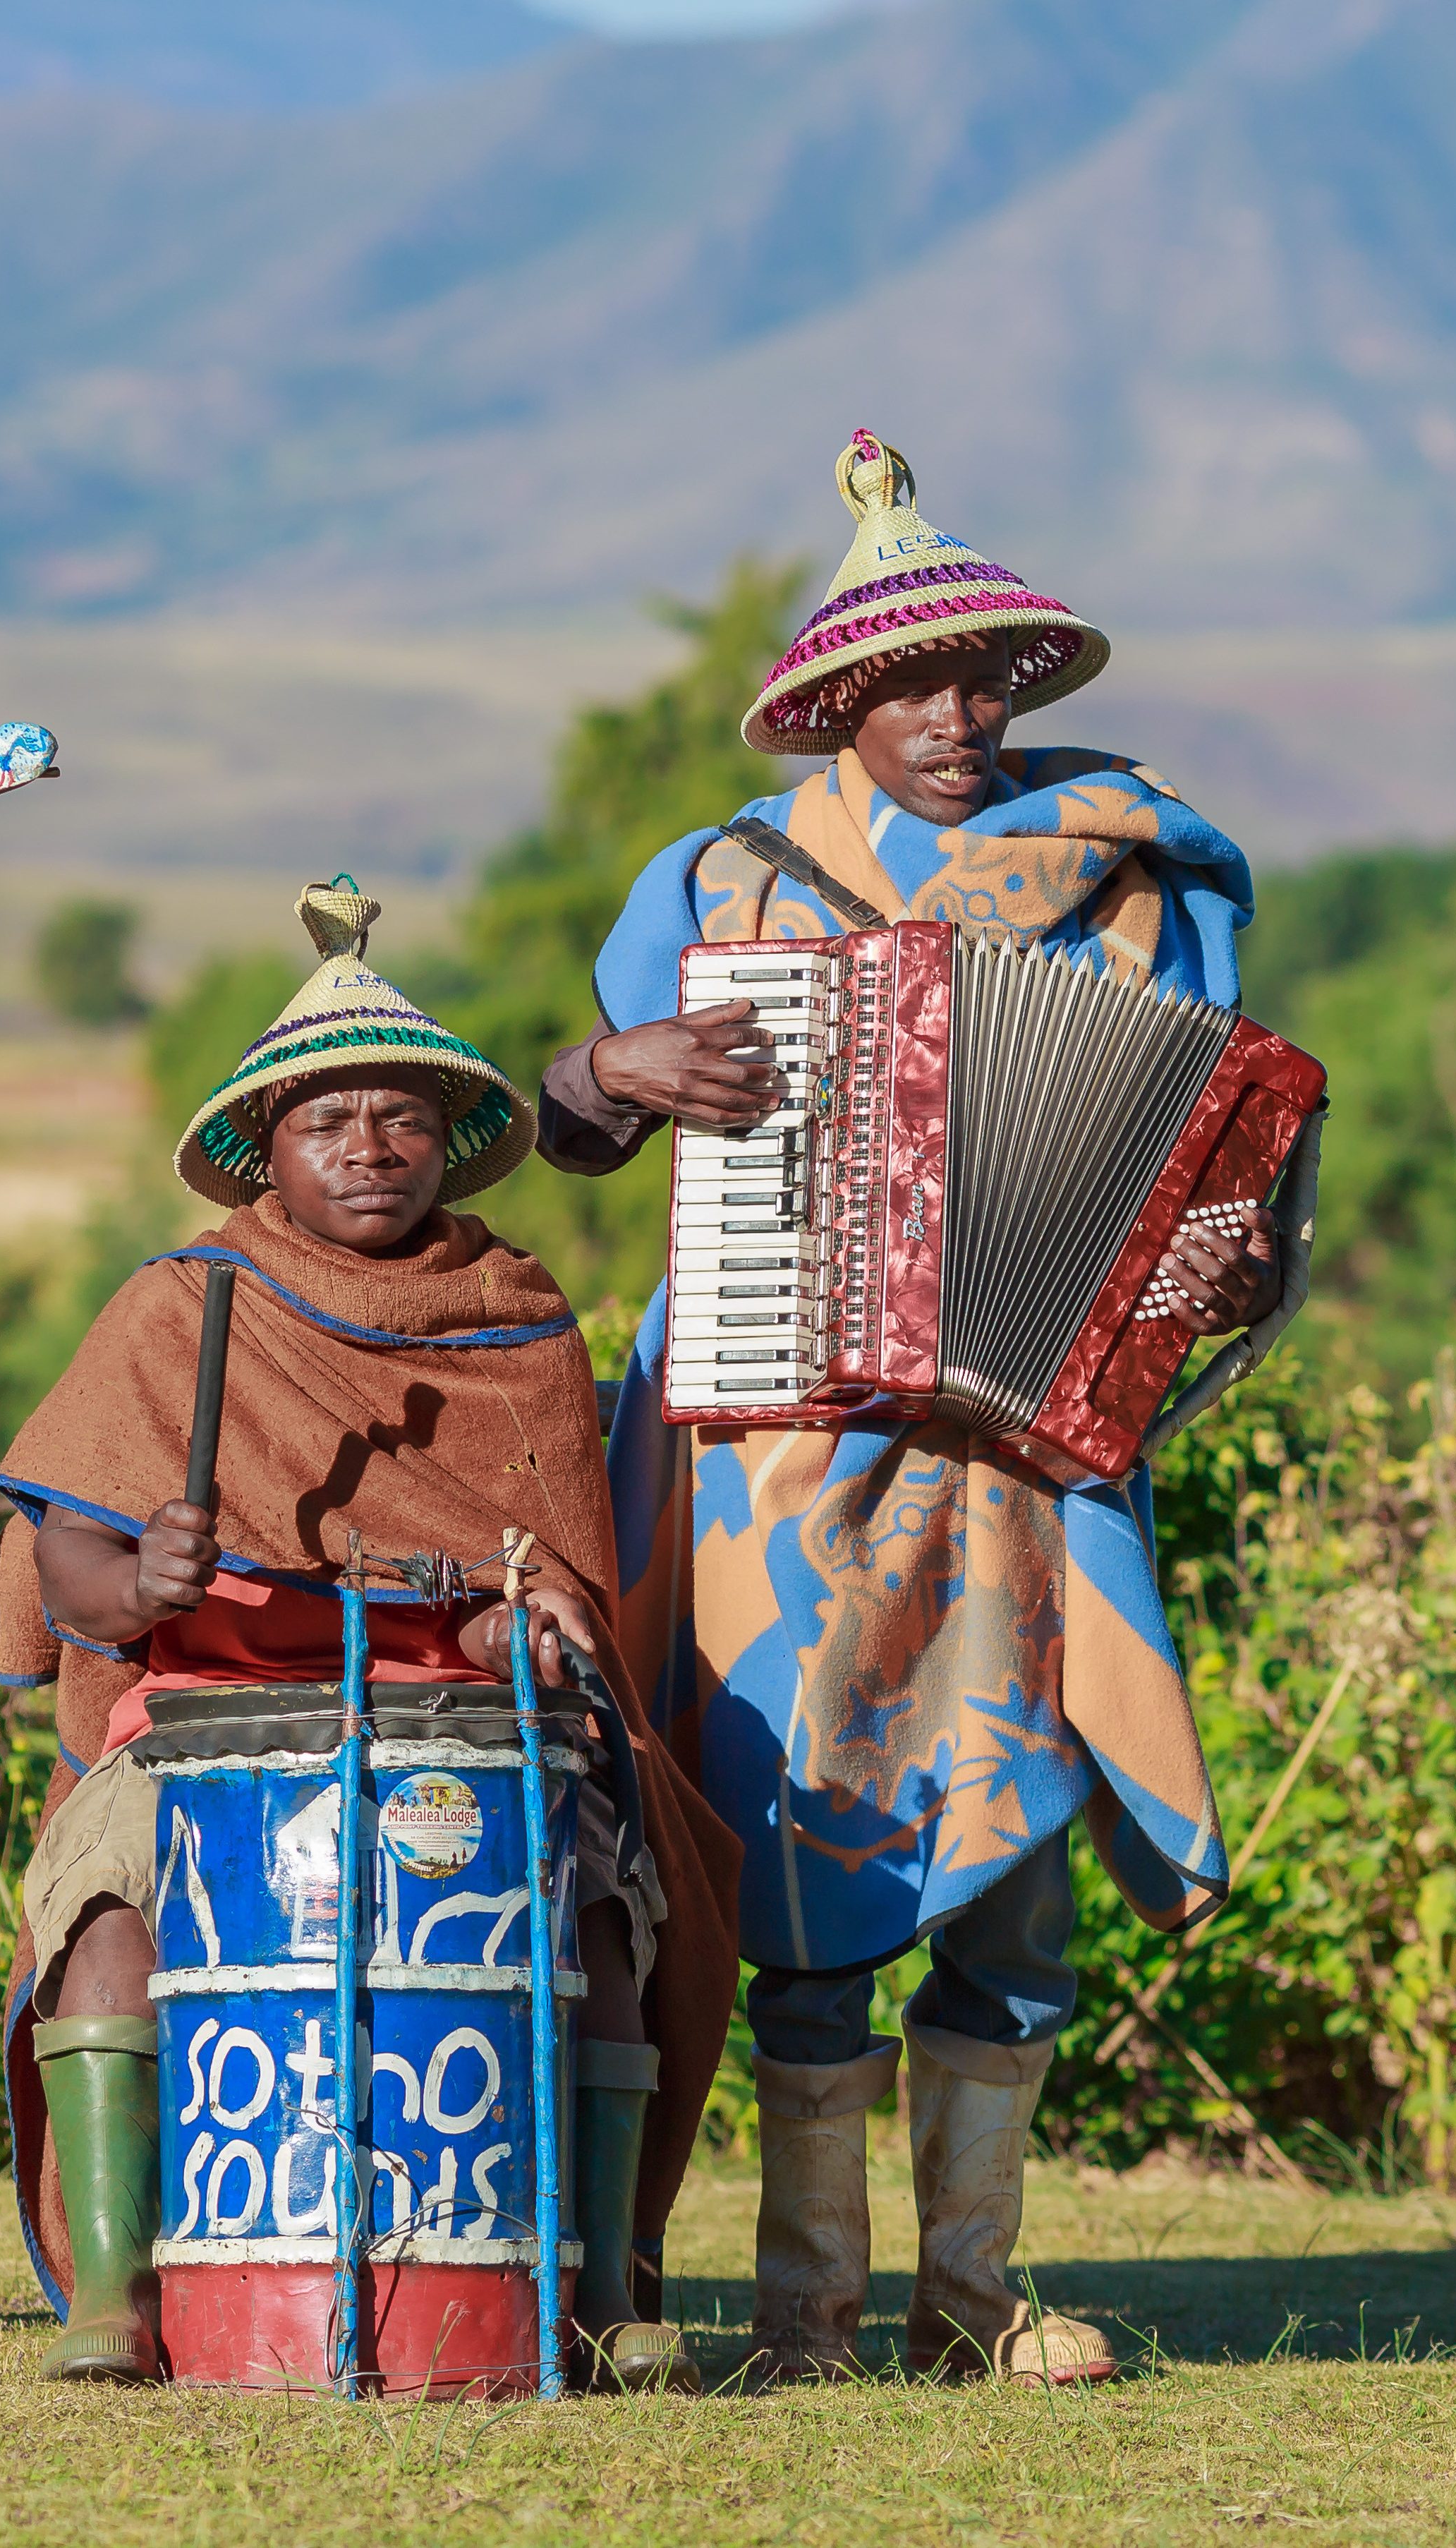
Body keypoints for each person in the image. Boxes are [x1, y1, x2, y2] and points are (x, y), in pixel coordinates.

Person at [535, 431, 1277, 2386]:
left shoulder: (1136, 873)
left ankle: (977, 2297)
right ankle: (806, 2309)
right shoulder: (717, 879)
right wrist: (617, 1063)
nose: (960, 716)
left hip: (1031, 1430)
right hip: (774, 1445)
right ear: (839, 701)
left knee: (1017, 1855)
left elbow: (1212, 1144)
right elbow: (571, 1127)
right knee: (805, 1850)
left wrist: (1225, 1252)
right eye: (918, 684)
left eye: (990, 680)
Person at [0, 879, 741, 2387]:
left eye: (401, 1118)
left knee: (600, 1918)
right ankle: (116, 2299)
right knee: (109, 1931)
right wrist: (141, 1590)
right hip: (199, 1724)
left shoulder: (517, 1319)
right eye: (327, 1123)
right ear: (261, 1151)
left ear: (451, 1141)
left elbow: (567, 1586)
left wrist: (532, 1631)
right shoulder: (184, 1305)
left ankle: (594, 2292)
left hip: (475, 1738)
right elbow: (59, 1549)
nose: (368, 1149)